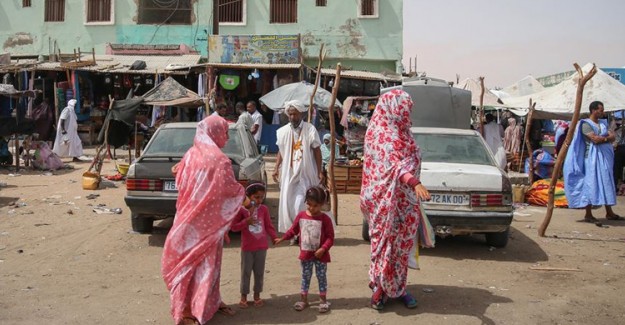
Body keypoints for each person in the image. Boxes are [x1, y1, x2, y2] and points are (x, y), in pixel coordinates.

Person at [161, 116, 245, 325]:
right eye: (225, 132)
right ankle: (188, 312)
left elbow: (182, 182)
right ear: (215, 132)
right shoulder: (220, 161)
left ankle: (206, 305)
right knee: (206, 268)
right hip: (207, 225)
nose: (226, 136)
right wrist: (244, 193)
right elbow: (229, 191)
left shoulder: (190, 155)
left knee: (188, 265)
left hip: (186, 221)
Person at [360, 90, 431, 311]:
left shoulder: (405, 133)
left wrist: (412, 186)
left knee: (402, 249)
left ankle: (399, 288)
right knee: (384, 247)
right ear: (392, 109)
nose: (406, 115)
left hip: (406, 203)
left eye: (408, 111)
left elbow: (410, 158)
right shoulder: (378, 133)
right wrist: (414, 182)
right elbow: (392, 165)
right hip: (383, 203)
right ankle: (379, 288)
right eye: (403, 111)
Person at [274, 186, 334, 313]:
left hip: (320, 256)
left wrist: (323, 249)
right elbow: (293, 230)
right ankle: (304, 300)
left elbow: (330, 238)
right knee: (305, 277)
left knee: (321, 276)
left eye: (315, 206)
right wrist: (283, 238)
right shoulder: (301, 216)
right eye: (309, 205)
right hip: (306, 255)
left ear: (322, 204)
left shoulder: (325, 219)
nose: (311, 208)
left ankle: (323, 301)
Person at [563, 101, 623, 223]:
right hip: (591, 160)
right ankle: (588, 214)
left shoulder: (603, 123)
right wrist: (607, 138)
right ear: (594, 110)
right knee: (591, 184)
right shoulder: (586, 124)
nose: (602, 112)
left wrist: (605, 138)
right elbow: (596, 140)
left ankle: (609, 212)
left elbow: (613, 136)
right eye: (601, 110)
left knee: (606, 182)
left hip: (604, 159)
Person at [272, 100, 323, 235]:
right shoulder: (283, 132)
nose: (292, 117)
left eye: (295, 114)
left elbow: (317, 151)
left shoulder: (310, 129)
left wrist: (320, 171)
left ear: (300, 113)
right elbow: (281, 151)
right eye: (290, 115)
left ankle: (303, 232)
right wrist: (276, 167)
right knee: (288, 203)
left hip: (305, 173)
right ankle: (293, 232)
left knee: (301, 202)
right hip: (289, 173)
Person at [230, 182, 277, 309]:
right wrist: (246, 221)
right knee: (245, 272)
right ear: (248, 197)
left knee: (259, 272)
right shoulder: (241, 210)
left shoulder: (264, 209)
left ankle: (257, 296)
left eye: (262, 197)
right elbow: (233, 227)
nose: (259, 200)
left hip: (261, 247)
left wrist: (274, 237)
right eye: (256, 197)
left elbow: (268, 226)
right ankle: (243, 296)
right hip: (247, 248)